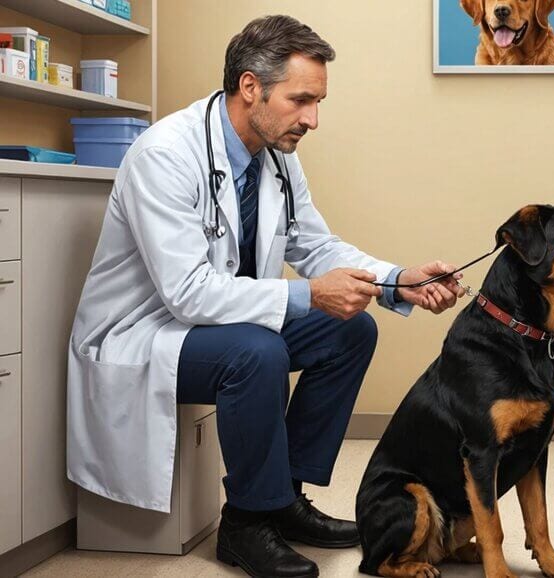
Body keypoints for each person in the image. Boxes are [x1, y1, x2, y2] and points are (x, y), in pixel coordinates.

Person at [66, 15, 465, 577]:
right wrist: (306, 295)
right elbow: (188, 294)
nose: (314, 119)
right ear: (250, 86)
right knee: (258, 352)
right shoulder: (166, 155)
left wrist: (397, 278)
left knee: (350, 329)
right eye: (301, 100)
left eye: (318, 102)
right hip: (145, 333)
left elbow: (314, 244)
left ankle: (285, 499)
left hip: (215, 322)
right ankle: (247, 523)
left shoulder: (277, 157)